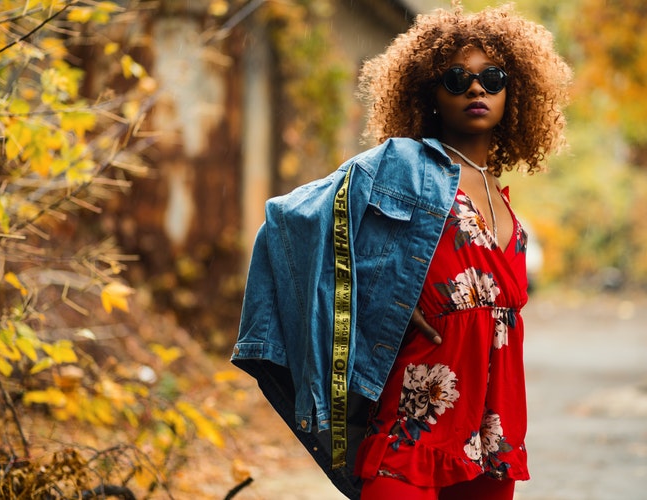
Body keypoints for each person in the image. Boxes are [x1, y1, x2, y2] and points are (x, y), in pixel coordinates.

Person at [232, 4, 571, 499]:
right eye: (456, 79)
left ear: (512, 91)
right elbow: (290, 219)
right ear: (429, 93)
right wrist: (378, 294)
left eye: (491, 77)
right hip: (412, 430)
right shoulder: (404, 166)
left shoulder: (505, 204)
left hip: (491, 439)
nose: (475, 88)